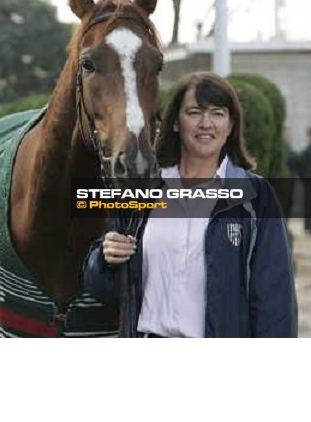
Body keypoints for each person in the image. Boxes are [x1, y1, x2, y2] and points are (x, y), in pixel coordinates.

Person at [83, 72, 297, 338]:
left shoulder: (256, 197)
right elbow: (102, 290)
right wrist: (105, 259)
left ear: (231, 125)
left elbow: (274, 300)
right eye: (194, 112)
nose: (206, 124)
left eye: (218, 113)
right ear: (175, 123)